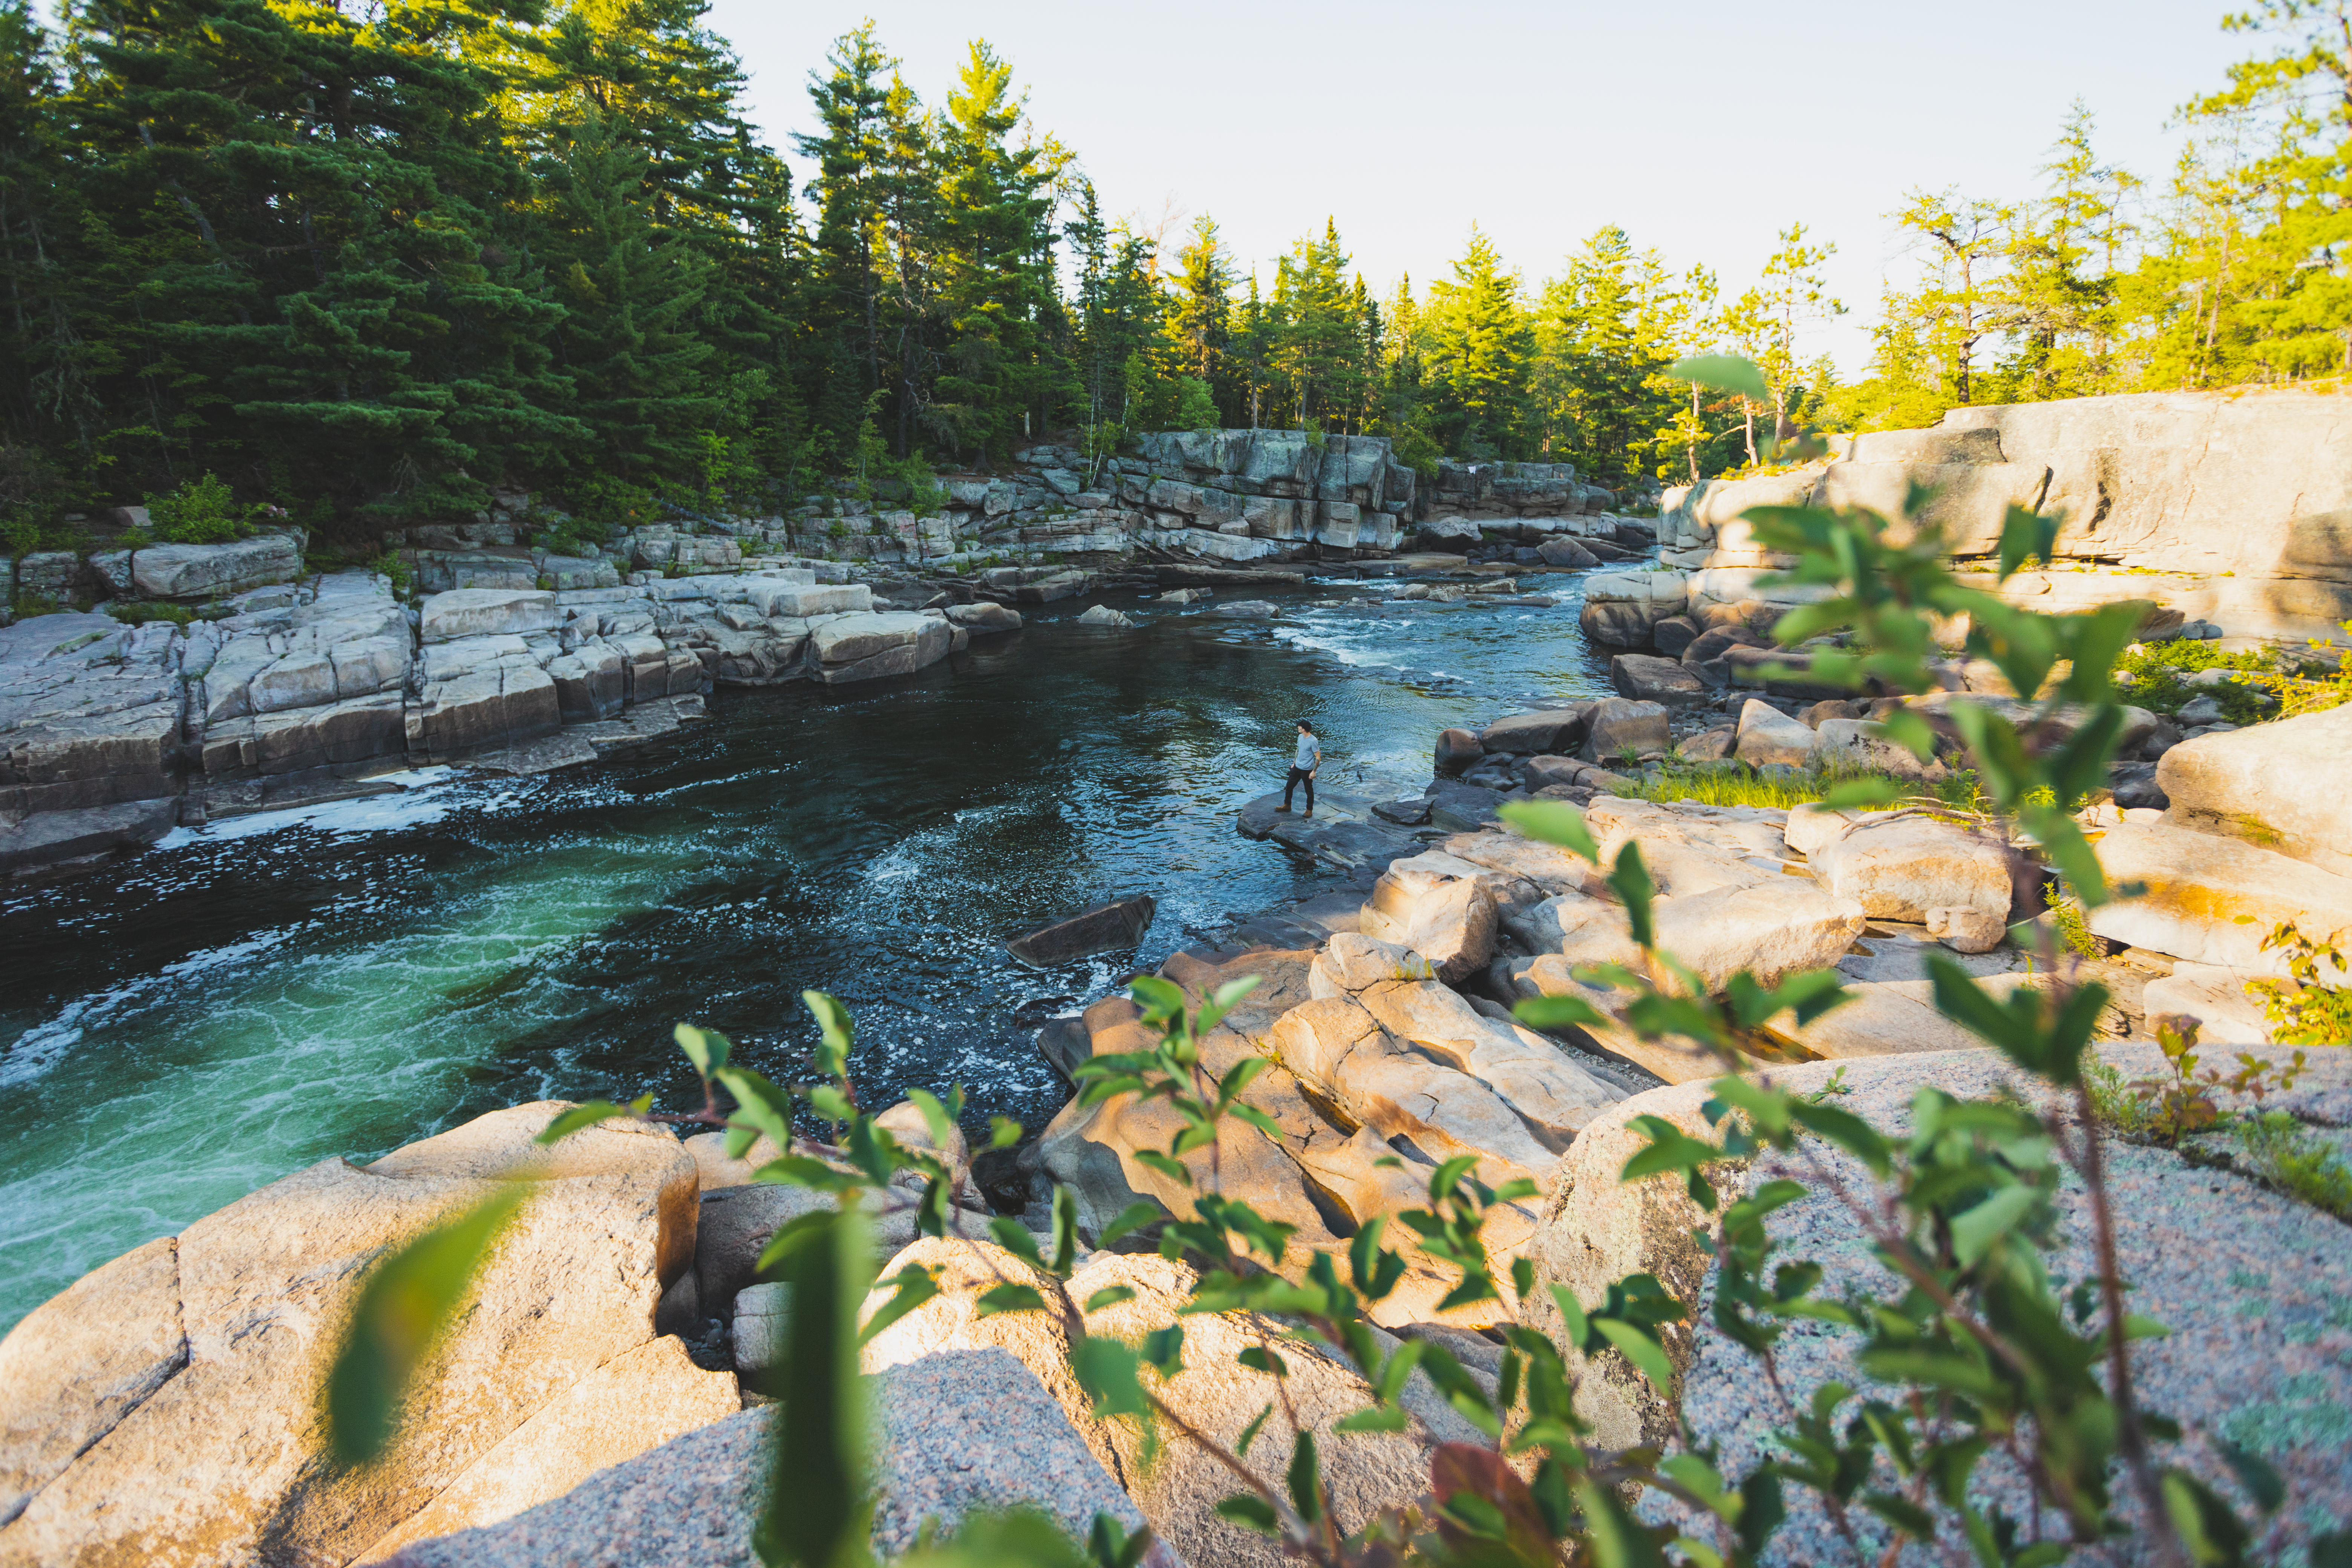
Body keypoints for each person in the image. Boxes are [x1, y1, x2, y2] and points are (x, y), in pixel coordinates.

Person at [1279, 719, 1320, 815]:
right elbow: (1298, 750)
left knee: (1309, 790)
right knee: (1289, 786)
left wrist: (1314, 771)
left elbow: (1318, 757)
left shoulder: (1313, 741)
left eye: (1299, 727)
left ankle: (1309, 810)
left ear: (1304, 729)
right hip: (1297, 767)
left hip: (1307, 770)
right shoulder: (1300, 737)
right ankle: (1287, 805)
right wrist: (1294, 763)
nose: (1298, 727)